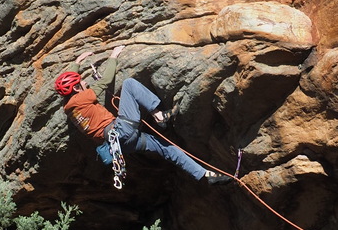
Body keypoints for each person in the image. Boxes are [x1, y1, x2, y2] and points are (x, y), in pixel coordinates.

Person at [54, 49, 225, 184]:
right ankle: (159, 115)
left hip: (122, 145)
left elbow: (66, 90)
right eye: (81, 82)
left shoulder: (68, 108)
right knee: (129, 84)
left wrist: (77, 62)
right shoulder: (82, 98)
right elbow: (105, 80)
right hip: (121, 130)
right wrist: (113, 56)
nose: (85, 82)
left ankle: (204, 175)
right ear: (76, 89)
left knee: (167, 148)